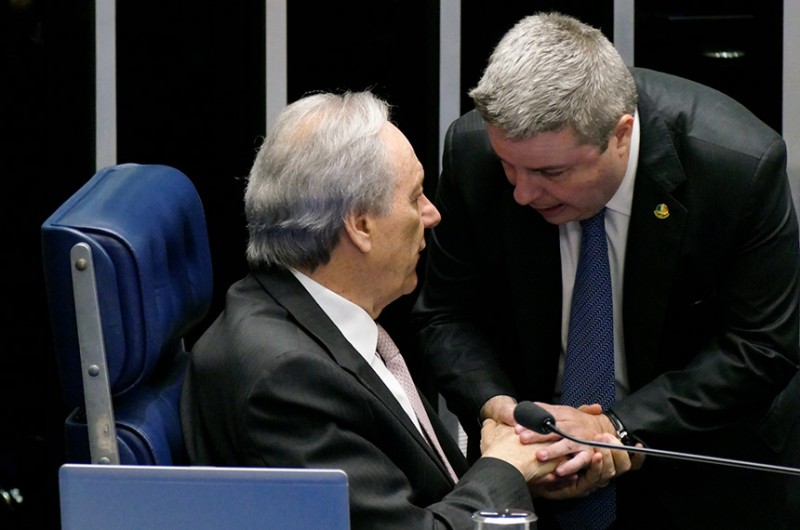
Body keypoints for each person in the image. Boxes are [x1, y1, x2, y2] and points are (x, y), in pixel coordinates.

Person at [410, 12, 800, 530]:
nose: (522, 193)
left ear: (621, 134)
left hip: (705, 473)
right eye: (509, 166)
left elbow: (762, 344)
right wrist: (498, 409)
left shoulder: (736, 166)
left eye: (551, 172)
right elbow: (446, 314)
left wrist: (617, 428)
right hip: (533, 468)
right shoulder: (472, 152)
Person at [180, 90, 597, 529]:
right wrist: (506, 466)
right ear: (360, 225)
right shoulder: (287, 379)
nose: (432, 215)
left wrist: (513, 468)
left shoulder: (310, 315)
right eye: (415, 197)